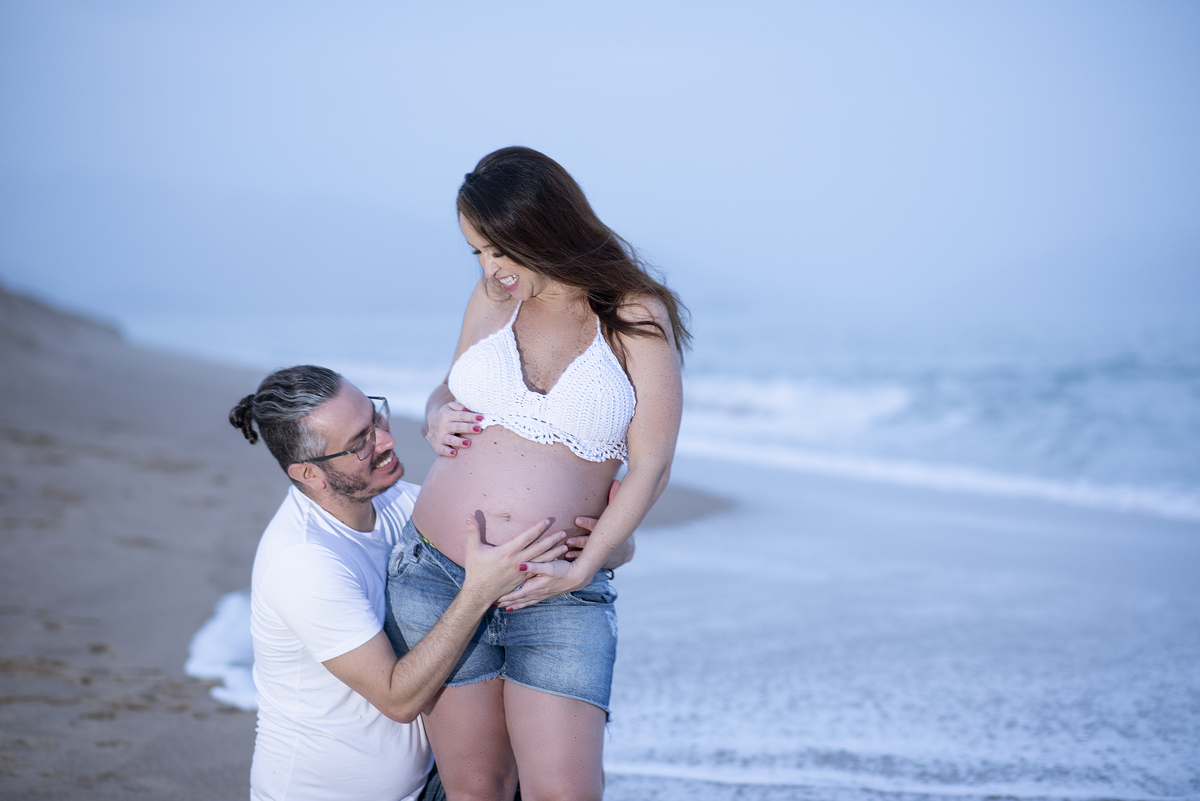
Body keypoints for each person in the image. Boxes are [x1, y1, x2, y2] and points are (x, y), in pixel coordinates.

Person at [387, 146, 689, 801]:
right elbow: (450, 385)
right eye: (478, 253)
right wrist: (437, 413)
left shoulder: (634, 314)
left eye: (501, 249)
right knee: (476, 786)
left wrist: (586, 567)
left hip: (559, 592)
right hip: (437, 572)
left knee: (565, 792)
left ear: (545, 230)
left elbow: (654, 464)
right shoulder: (494, 296)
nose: (492, 268)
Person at [229, 365, 622, 801]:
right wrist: (478, 591)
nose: (387, 439)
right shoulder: (302, 562)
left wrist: (603, 544)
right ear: (309, 475)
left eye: (375, 417)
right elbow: (397, 700)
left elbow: (598, 549)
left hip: (425, 783)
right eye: (360, 443)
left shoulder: (400, 503)